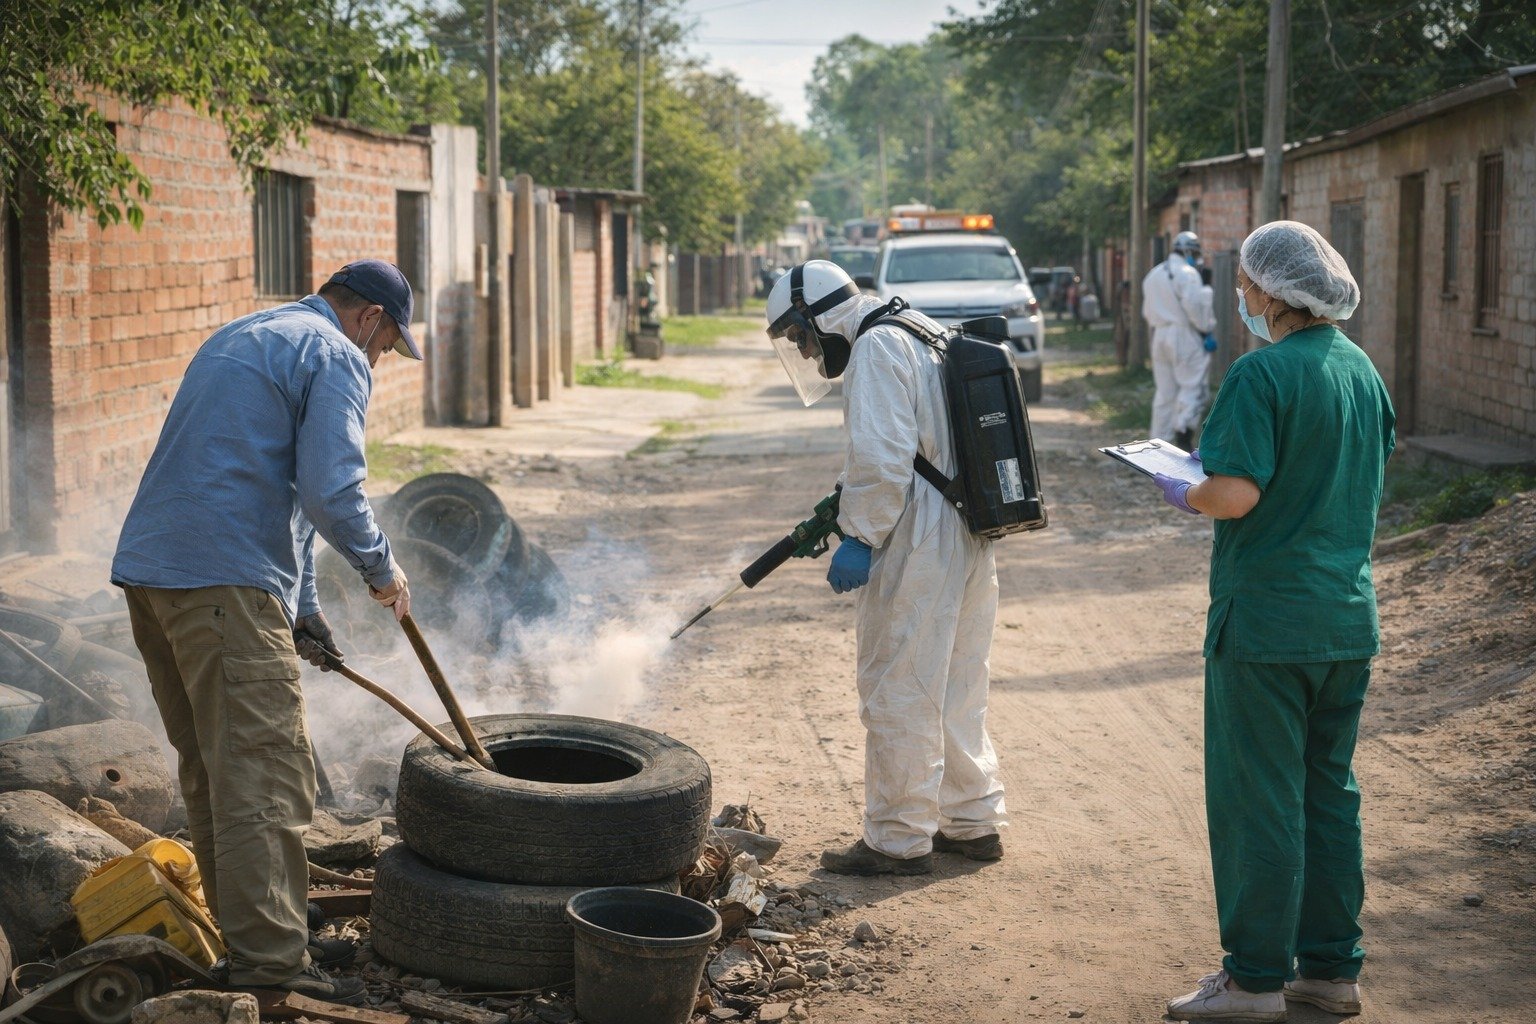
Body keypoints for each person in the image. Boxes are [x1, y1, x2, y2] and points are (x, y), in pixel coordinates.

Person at [111, 260, 421, 1006]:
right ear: (371, 318)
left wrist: (303, 610)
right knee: (264, 775)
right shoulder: (337, 355)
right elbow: (329, 490)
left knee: (218, 772)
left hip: (156, 577)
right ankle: (274, 970)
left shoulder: (247, 333)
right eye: (385, 346)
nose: (378, 358)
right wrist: (382, 569)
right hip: (222, 581)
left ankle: (250, 939)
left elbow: (277, 491)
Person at [1152, 222, 1395, 1021]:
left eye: (1248, 287)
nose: (1242, 298)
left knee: (1259, 799)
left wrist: (1182, 488)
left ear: (1270, 292)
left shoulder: (1262, 377)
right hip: (1344, 620)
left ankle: (1254, 978)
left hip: (1265, 628)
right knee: (1329, 797)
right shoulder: (1362, 372)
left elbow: (1235, 493)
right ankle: (1330, 970)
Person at [764, 260, 1007, 876]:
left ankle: (897, 840)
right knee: (957, 683)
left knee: (898, 682)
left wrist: (861, 535)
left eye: (801, 335)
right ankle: (973, 822)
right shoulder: (915, 327)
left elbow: (882, 459)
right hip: (967, 527)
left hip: (916, 535)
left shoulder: (873, 348)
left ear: (817, 312)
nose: (806, 348)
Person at [1143, 230, 1216, 449]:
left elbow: (1147, 312)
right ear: (1187, 251)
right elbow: (1196, 311)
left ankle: (1158, 444)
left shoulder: (1153, 274)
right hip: (1184, 336)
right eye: (1195, 252)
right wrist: (1207, 328)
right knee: (1192, 386)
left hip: (1159, 335)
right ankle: (1183, 435)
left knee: (1165, 393)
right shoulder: (1188, 273)